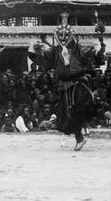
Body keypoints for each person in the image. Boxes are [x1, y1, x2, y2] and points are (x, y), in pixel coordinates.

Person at [31, 12, 106, 151]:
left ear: (71, 36)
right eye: (61, 35)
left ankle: (81, 135)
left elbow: (92, 58)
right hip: (64, 86)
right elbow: (44, 62)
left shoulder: (77, 50)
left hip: (78, 83)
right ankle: (80, 137)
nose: (63, 38)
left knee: (78, 110)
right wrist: (35, 49)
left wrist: (101, 43)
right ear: (57, 36)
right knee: (68, 113)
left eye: (66, 35)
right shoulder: (54, 52)